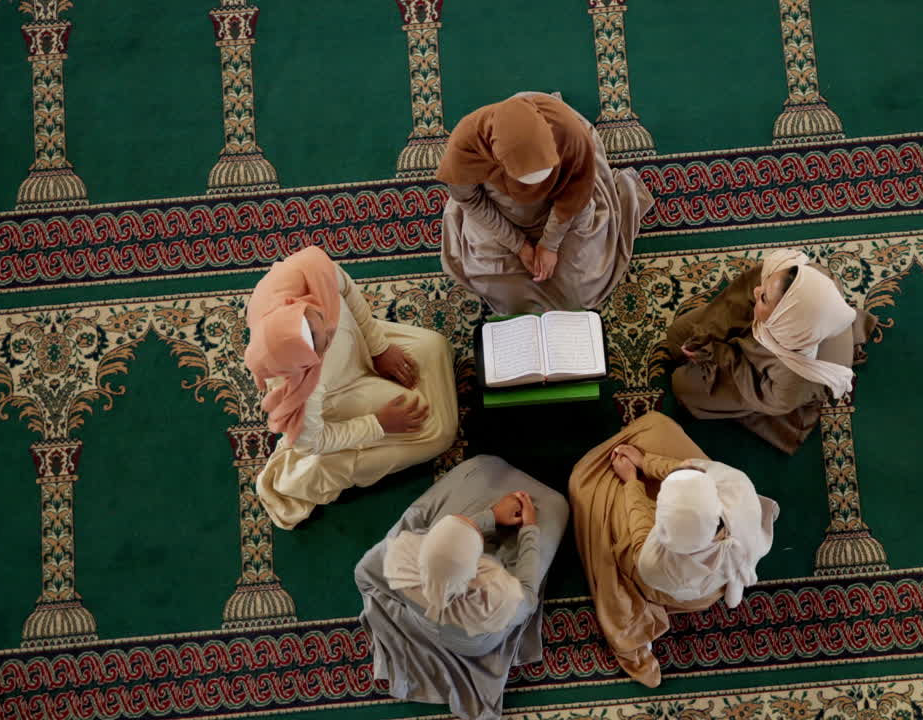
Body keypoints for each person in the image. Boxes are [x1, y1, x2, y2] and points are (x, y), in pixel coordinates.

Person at [244, 246, 458, 530]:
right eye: (323, 343)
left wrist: (379, 348)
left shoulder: (304, 273)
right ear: (308, 361)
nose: (330, 329)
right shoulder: (302, 388)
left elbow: (344, 289)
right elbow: (311, 441)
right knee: (437, 433)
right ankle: (305, 475)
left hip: (358, 346)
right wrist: (378, 424)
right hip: (338, 393)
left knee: (435, 347)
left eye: (321, 320)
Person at [568, 411, 777, 688]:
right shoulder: (737, 487)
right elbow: (692, 469)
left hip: (671, 584)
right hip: (720, 572)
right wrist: (647, 462)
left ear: (663, 527)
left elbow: (640, 531)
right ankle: (734, 581)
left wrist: (632, 480)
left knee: (587, 484)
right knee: (657, 426)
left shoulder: (656, 562)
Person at [354, 455, 569, 720]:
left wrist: (487, 517)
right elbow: (527, 594)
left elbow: (363, 573)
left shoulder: (397, 560)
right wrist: (529, 529)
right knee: (556, 505)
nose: (473, 524)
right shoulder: (497, 599)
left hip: (428, 621)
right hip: (475, 647)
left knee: (484, 468)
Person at [436, 91, 653, 315]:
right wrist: (519, 245)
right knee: (507, 295)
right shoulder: (465, 146)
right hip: (500, 209)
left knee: (580, 290)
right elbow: (471, 201)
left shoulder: (569, 132)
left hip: (565, 210)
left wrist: (550, 245)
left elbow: (576, 192)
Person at [664, 248, 877, 455]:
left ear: (783, 323)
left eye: (764, 297)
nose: (758, 290)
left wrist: (715, 354)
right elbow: (737, 298)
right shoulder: (793, 274)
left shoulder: (794, 379)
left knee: (682, 385)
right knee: (677, 335)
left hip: (765, 375)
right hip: (769, 330)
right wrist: (705, 336)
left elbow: (755, 388)